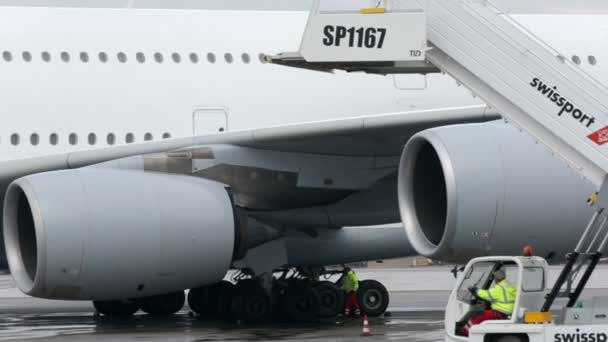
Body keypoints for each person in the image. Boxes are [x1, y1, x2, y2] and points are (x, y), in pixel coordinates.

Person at [460, 269, 517, 337]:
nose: (494, 280)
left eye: (495, 278)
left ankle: (464, 333)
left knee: (479, 314)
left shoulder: (499, 288)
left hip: (500, 313)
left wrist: (474, 290)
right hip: (508, 312)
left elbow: (485, 294)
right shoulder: (511, 286)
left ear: (497, 278)